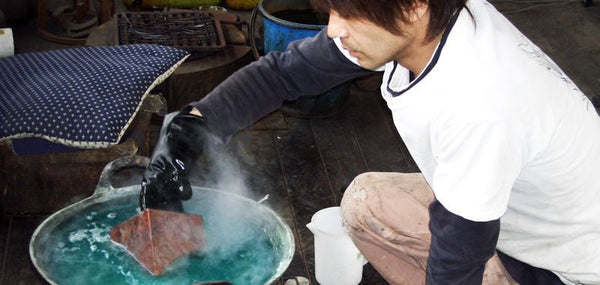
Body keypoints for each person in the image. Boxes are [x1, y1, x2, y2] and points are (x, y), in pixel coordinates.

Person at [139, 0, 600, 284]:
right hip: (529, 208)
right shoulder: (429, 20)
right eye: (335, 8)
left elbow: (461, 247)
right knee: (365, 204)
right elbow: (284, 73)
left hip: (563, 267)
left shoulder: (478, 101)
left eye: (353, 11)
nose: (337, 28)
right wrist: (192, 125)